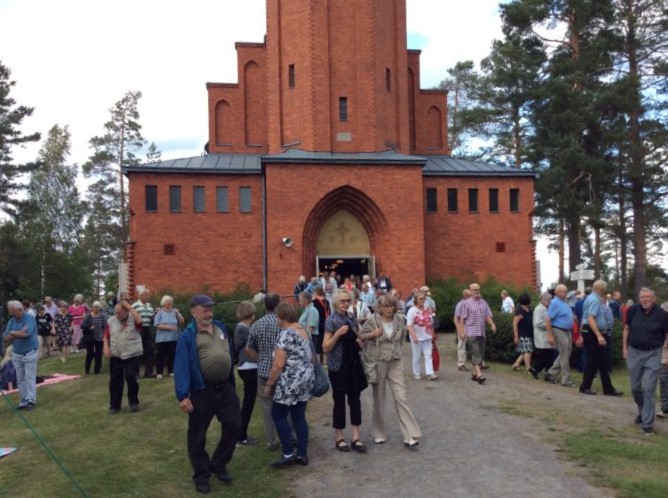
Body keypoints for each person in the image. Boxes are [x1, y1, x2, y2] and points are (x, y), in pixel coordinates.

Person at [174, 294, 241, 493]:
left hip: (225, 388)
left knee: (235, 425)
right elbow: (181, 366)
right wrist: (183, 395)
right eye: (204, 309)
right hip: (202, 390)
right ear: (193, 312)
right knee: (197, 436)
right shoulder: (187, 336)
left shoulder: (220, 327)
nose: (208, 313)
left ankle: (218, 463)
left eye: (210, 309)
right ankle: (202, 475)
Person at [360, 294, 421, 448]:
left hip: (395, 361)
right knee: (379, 399)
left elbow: (402, 339)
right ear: (380, 307)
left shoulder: (400, 319)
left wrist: (397, 351)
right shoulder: (372, 320)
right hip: (378, 361)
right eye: (386, 306)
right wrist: (372, 334)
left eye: (391, 306)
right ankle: (379, 433)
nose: (389, 309)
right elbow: (360, 336)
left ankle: (409, 434)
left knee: (401, 397)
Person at [263, 303, 314, 467]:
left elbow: (278, 364)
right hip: (305, 378)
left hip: (290, 380)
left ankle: (287, 453)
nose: (276, 320)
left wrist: (269, 384)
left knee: (278, 414)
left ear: (282, 317)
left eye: (277, 316)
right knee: (299, 416)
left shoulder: (285, 335)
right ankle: (302, 454)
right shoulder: (304, 330)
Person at [323, 290, 368, 453]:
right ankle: (339, 437)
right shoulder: (331, 320)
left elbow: (357, 336)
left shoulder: (351, 318)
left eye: (347, 300)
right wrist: (337, 334)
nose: (345, 303)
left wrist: (359, 341)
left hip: (353, 363)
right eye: (342, 301)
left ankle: (356, 437)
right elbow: (325, 347)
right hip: (338, 365)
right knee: (339, 400)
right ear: (335, 302)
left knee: (355, 399)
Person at [622, 288, 668, 436]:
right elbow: (627, 329)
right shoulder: (633, 310)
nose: (645, 299)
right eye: (642, 297)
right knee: (635, 388)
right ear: (639, 298)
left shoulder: (662, 315)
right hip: (634, 352)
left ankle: (647, 424)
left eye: (648, 297)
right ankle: (642, 412)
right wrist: (625, 348)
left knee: (649, 387)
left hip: (654, 353)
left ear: (654, 299)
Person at [245, 293, 282, 451]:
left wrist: (259, 359)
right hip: (282, 367)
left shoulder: (257, 324)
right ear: (278, 305)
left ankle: (271, 441)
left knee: (267, 406)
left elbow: (248, 348)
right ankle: (288, 436)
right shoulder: (283, 323)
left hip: (264, 369)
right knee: (284, 403)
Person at [578, 280, 623, 397]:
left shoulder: (589, 298)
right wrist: (599, 335)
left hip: (588, 331)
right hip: (593, 333)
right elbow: (590, 318)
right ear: (601, 289)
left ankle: (608, 388)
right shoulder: (595, 300)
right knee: (593, 360)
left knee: (602, 361)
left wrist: (582, 334)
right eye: (605, 288)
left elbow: (584, 317)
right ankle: (585, 386)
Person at [103, 300, 144, 414]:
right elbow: (106, 336)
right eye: (116, 312)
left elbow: (140, 321)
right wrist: (106, 348)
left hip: (131, 354)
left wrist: (129, 307)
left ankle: (133, 402)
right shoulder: (111, 321)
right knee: (115, 381)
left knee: (131, 377)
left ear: (126, 311)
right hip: (116, 354)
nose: (117, 315)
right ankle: (115, 406)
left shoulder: (133, 318)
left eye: (119, 312)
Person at [2, 301, 39, 410]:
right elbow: (6, 338)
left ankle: (31, 400)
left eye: (13, 312)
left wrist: (14, 333)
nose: (12, 314)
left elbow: (27, 335)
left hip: (30, 352)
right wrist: (17, 333)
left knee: (29, 377)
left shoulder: (30, 318)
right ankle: (23, 400)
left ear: (20, 309)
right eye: (11, 312)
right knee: (20, 378)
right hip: (17, 353)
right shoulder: (11, 321)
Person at [459, 283, 497, 384]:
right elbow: (462, 319)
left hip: (482, 332)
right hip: (471, 331)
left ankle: (475, 374)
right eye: (475, 289)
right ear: (470, 291)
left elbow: (487, 316)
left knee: (481, 353)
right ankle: (480, 375)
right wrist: (461, 332)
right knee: (475, 352)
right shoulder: (466, 303)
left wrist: (492, 324)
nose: (477, 291)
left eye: (478, 289)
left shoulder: (483, 303)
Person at [234, 301, 258, 447]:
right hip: (249, 366)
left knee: (248, 402)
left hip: (245, 366)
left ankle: (241, 434)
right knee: (248, 403)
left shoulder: (242, 328)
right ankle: (241, 436)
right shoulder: (244, 329)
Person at [544, 284, 577, 387]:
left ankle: (550, 373)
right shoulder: (554, 303)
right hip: (558, 330)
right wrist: (550, 335)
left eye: (566, 291)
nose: (565, 293)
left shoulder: (564, 302)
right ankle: (566, 380)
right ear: (557, 292)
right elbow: (548, 319)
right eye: (563, 291)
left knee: (566, 353)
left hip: (567, 331)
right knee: (564, 354)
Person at [406, 290, 437, 381]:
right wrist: (414, 336)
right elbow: (409, 325)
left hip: (427, 335)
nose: (422, 300)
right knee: (417, 356)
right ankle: (416, 373)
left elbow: (430, 323)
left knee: (428, 355)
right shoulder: (412, 310)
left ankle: (430, 373)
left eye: (424, 298)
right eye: (420, 299)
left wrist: (433, 334)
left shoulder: (427, 309)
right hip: (416, 336)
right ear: (416, 300)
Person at [153, 295, 184, 379]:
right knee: (161, 356)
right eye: (168, 303)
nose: (170, 304)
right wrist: (169, 327)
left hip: (173, 337)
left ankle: (171, 371)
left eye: (171, 303)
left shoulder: (174, 311)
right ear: (164, 303)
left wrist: (178, 313)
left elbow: (182, 321)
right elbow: (157, 324)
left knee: (172, 355)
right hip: (162, 339)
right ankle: (159, 372)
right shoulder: (159, 312)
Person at [531, 292, 556, 377]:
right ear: (542, 300)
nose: (550, 301)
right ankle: (544, 372)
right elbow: (538, 323)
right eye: (548, 300)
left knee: (547, 356)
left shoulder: (546, 308)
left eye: (550, 299)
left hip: (546, 336)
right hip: (542, 336)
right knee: (547, 356)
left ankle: (535, 369)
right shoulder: (539, 309)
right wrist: (550, 324)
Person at [133, 289, 155, 378]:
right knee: (138, 351)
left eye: (148, 295)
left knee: (149, 351)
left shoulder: (150, 306)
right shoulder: (135, 305)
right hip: (138, 329)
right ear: (141, 296)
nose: (148, 296)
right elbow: (132, 317)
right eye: (147, 295)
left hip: (147, 329)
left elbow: (152, 318)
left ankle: (149, 372)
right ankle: (136, 373)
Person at [512, 293, 535, 376]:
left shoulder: (529, 309)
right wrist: (516, 336)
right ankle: (528, 369)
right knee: (528, 351)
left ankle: (516, 364)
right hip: (523, 334)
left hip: (529, 333)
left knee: (524, 352)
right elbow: (514, 323)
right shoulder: (519, 311)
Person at [81, 301, 106, 374]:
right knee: (90, 354)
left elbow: (105, 327)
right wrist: (89, 327)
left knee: (98, 354)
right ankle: (87, 370)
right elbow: (82, 326)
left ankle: (97, 370)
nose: (96, 309)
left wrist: (105, 337)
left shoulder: (103, 316)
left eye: (97, 307)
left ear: (100, 308)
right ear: (92, 308)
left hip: (100, 337)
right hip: (90, 338)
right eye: (94, 307)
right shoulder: (88, 316)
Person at [454, 289, 472, 371]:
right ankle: (461, 364)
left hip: (471, 326)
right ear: (465, 296)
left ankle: (479, 363)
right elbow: (456, 319)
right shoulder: (460, 304)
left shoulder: (471, 304)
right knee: (462, 345)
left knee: (476, 344)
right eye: (469, 295)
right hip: (463, 326)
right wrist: (460, 331)